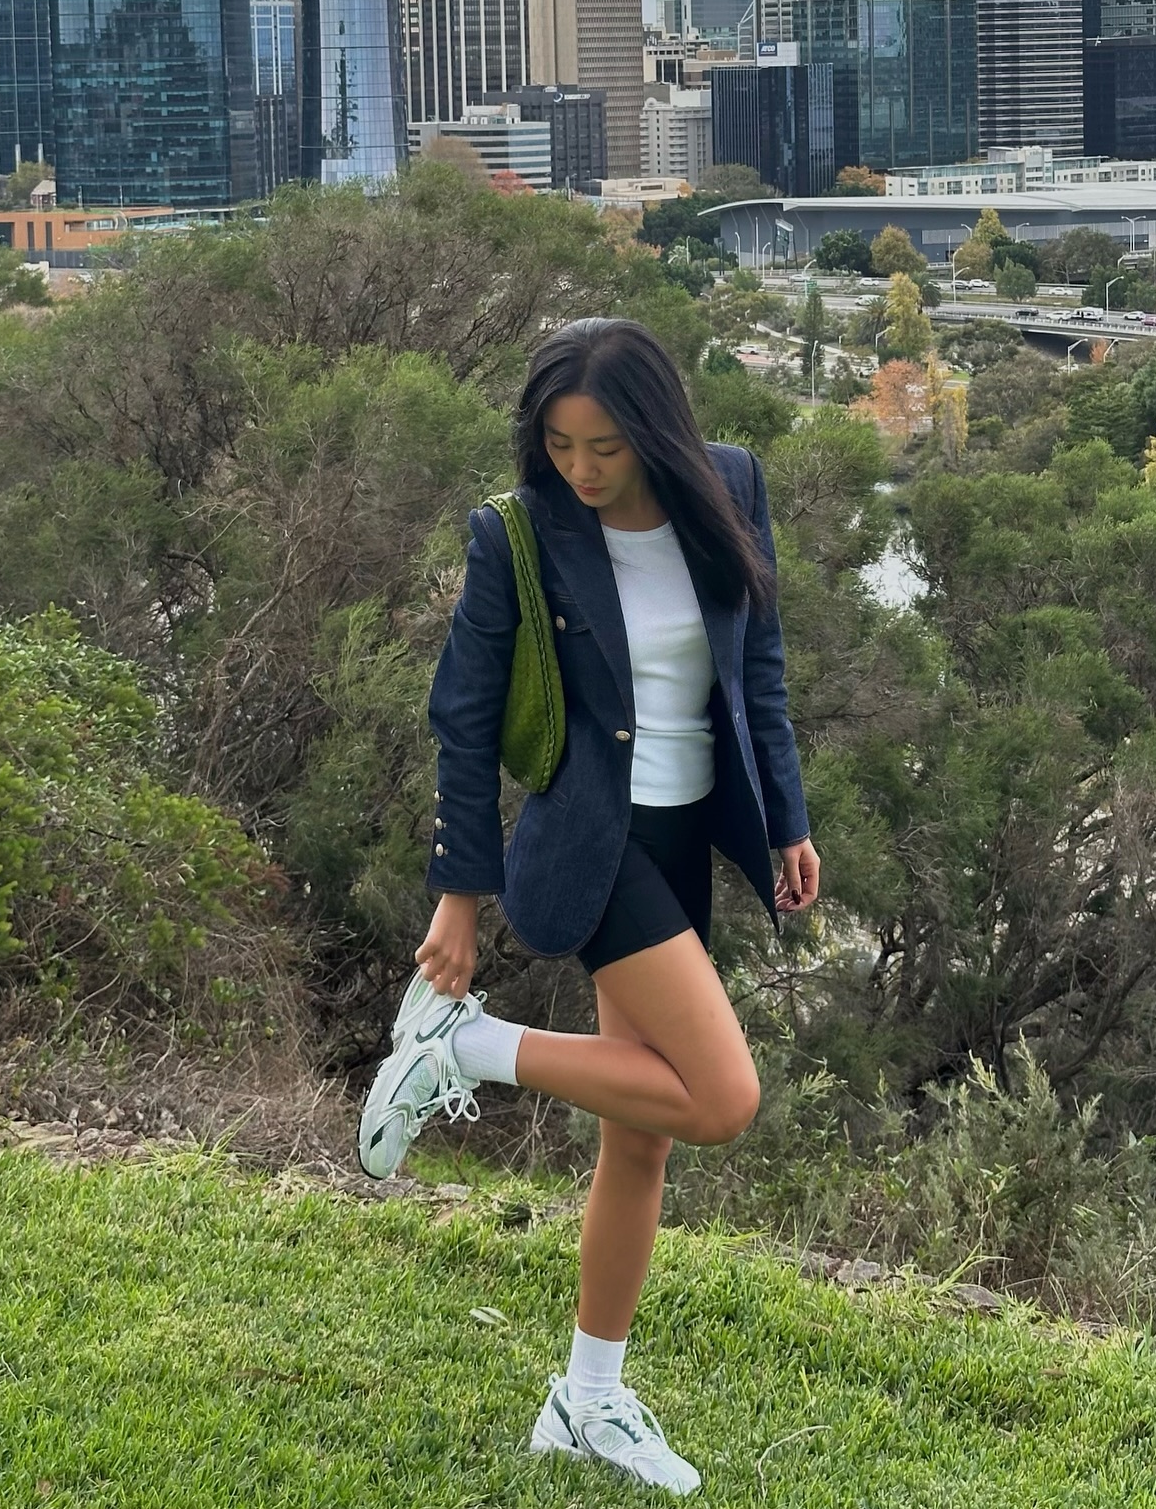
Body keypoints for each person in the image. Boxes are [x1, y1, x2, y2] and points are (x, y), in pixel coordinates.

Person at [357, 317, 820, 1497]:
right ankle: (463, 1048)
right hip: (594, 842)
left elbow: (757, 667)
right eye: (560, 444)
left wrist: (787, 816)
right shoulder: (518, 532)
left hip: (686, 832)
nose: (582, 468)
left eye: (604, 446)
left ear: (654, 430)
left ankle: (587, 1400)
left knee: (641, 1134)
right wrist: (459, 895)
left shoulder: (729, 486)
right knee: (721, 1096)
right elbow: (464, 719)